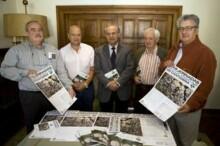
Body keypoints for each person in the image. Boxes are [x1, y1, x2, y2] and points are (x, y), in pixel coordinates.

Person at [160, 14, 217, 146]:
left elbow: (206, 87)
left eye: (189, 28)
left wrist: (191, 104)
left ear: (196, 30)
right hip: (169, 105)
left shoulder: (206, 54)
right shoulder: (174, 49)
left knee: (185, 142)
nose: (184, 32)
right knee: (170, 138)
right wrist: (163, 65)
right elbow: (163, 72)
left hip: (187, 110)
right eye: (181, 28)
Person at [0, 20, 58, 133]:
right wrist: (25, 72)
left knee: (51, 124)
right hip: (30, 96)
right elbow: (4, 70)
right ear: (27, 33)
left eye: (40, 29)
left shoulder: (52, 50)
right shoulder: (16, 50)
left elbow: (59, 70)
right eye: (33, 30)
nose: (37, 32)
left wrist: (68, 87)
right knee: (33, 127)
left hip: (51, 92)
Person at [94, 23, 135, 113]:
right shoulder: (98, 51)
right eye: (108, 34)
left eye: (114, 33)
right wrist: (108, 83)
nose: (111, 36)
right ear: (105, 35)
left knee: (121, 117)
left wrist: (118, 83)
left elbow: (129, 69)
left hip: (122, 89)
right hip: (105, 89)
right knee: (105, 118)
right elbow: (98, 70)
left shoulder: (127, 50)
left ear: (118, 34)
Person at [57, 25, 95, 111]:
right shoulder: (61, 52)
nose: (76, 37)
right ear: (68, 35)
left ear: (81, 36)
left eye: (78, 35)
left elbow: (92, 69)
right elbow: (61, 72)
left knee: (88, 112)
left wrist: (85, 84)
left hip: (87, 86)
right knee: (73, 114)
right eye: (73, 35)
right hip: (70, 88)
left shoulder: (89, 49)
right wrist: (71, 85)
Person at [133, 27, 167, 114]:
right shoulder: (138, 52)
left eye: (151, 38)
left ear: (157, 40)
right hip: (140, 90)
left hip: (155, 92)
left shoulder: (165, 53)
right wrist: (134, 76)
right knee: (139, 115)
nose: (147, 41)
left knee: (153, 117)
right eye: (145, 38)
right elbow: (133, 68)